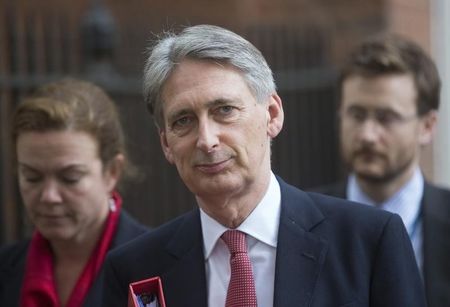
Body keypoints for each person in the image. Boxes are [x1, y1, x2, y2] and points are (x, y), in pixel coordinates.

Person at [101, 25, 426, 307]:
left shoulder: (367, 242)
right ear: (166, 144)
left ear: (272, 115)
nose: (207, 139)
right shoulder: (136, 269)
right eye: (183, 120)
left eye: (224, 110)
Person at [312, 34, 450, 306]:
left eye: (387, 118)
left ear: (427, 126)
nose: (367, 135)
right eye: (357, 115)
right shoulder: (302, 220)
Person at [0, 79, 149, 307]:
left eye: (70, 178)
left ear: (112, 172)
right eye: (32, 177)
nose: (49, 196)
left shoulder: (155, 264)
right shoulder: (6, 268)